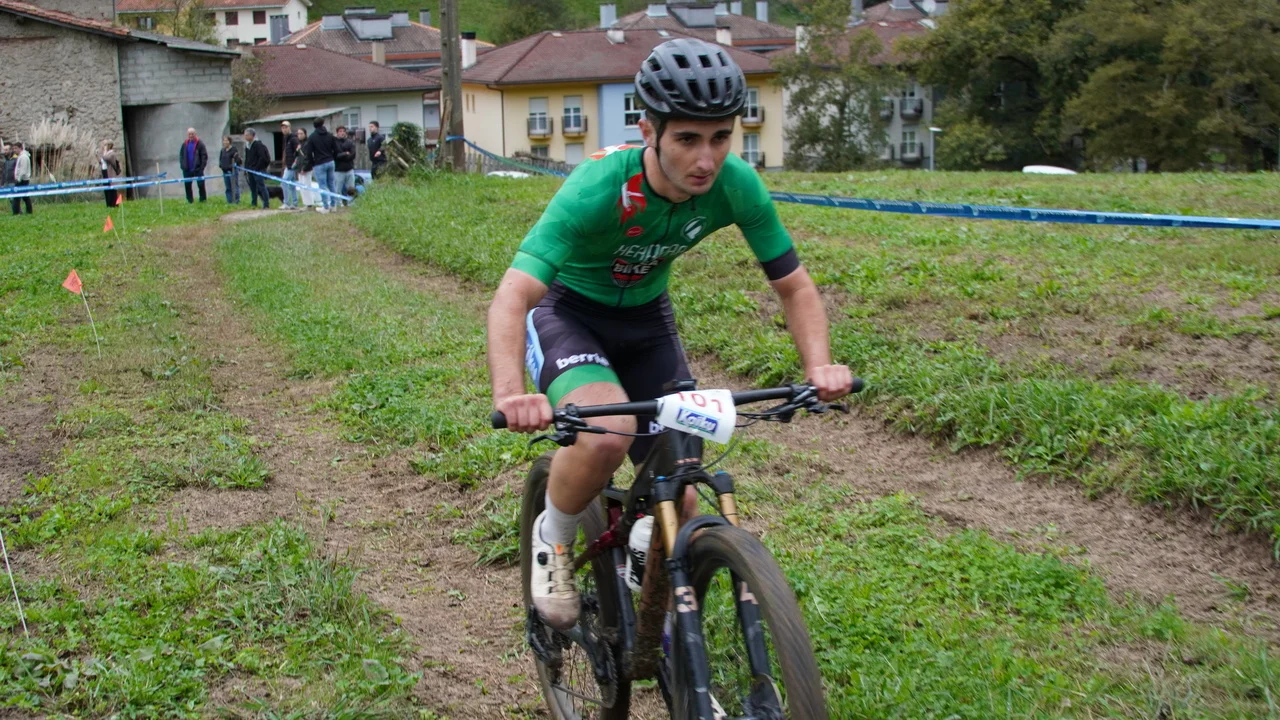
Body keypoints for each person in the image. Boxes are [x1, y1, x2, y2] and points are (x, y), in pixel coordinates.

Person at [487, 38, 853, 630]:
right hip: (569, 313)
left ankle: (644, 563)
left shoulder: (736, 184)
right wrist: (511, 394)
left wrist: (819, 366)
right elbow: (513, 295)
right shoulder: (599, 185)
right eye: (687, 139)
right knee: (608, 434)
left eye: (720, 137)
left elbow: (795, 287)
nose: (706, 159)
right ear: (648, 130)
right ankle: (553, 537)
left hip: (646, 320)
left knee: (680, 485)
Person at [302, 117, 338, 213]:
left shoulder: (312, 137)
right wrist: (332, 157)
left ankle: (325, 207)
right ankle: (333, 205)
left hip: (319, 163)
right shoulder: (330, 135)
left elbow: (309, 152)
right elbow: (336, 149)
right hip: (330, 161)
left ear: (314, 126)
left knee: (322, 185)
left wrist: (311, 163)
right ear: (323, 124)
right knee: (331, 184)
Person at [242, 128, 271, 209]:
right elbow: (247, 158)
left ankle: (266, 203)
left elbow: (263, 158)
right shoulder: (247, 145)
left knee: (261, 186)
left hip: (258, 170)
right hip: (250, 170)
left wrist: (257, 167)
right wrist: (246, 168)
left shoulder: (258, 145)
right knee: (253, 187)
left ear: (252, 135)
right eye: (245, 135)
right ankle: (254, 203)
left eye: (247, 135)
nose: (245, 137)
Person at [179, 127, 208, 203]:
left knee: (201, 185)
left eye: (192, 134)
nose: (191, 135)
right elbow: (181, 155)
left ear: (195, 134)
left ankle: (203, 200)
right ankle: (190, 200)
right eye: (189, 134)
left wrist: (201, 167)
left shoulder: (200, 144)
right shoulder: (185, 144)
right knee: (187, 186)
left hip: (198, 169)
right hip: (187, 169)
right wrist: (183, 166)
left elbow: (204, 156)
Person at [333, 126, 356, 206]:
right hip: (338, 170)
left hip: (349, 168)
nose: (342, 133)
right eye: (340, 131)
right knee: (338, 189)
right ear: (337, 133)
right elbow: (335, 156)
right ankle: (339, 204)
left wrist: (344, 156)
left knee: (351, 188)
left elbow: (353, 154)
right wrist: (345, 153)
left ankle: (351, 203)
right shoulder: (334, 143)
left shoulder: (350, 142)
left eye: (343, 131)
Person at [280, 120, 300, 209]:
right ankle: (295, 203)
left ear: (289, 128)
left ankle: (286, 203)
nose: (284, 129)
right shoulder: (286, 139)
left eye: (286, 127)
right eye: (282, 128)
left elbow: (298, 150)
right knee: (292, 185)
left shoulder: (293, 138)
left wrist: (295, 161)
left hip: (292, 165)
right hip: (288, 165)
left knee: (284, 182)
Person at [9, 142, 32, 215]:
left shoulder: (23, 157)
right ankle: (28, 211)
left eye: (16, 148)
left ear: (20, 148)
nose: (14, 150)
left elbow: (23, 170)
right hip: (22, 179)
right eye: (13, 148)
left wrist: (18, 179)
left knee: (17, 196)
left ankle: (16, 212)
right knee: (24, 196)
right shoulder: (20, 156)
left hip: (22, 180)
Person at [292, 127, 313, 208]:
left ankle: (309, 203)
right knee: (301, 186)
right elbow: (296, 156)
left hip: (306, 169)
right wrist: (297, 150)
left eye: (301, 133)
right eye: (298, 134)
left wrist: (304, 168)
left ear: (305, 134)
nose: (299, 135)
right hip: (299, 167)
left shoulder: (307, 144)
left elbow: (308, 157)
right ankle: (305, 203)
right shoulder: (300, 144)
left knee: (306, 186)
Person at [218, 135, 241, 204]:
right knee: (228, 187)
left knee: (235, 186)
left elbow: (237, 160)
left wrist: (231, 166)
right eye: (224, 140)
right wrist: (221, 166)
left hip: (232, 171)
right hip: (225, 171)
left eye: (226, 140)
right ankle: (229, 201)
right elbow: (220, 159)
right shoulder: (222, 150)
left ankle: (236, 200)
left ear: (230, 141)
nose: (225, 142)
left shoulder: (234, 149)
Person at [98, 140, 121, 208]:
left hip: (110, 173)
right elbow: (102, 161)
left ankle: (114, 204)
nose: (103, 147)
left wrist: (104, 152)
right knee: (106, 188)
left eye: (105, 145)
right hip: (105, 172)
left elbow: (106, 158)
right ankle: (108, 204)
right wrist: (97, 156)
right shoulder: (106, 153)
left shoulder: (112, 154)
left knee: (112, 188)